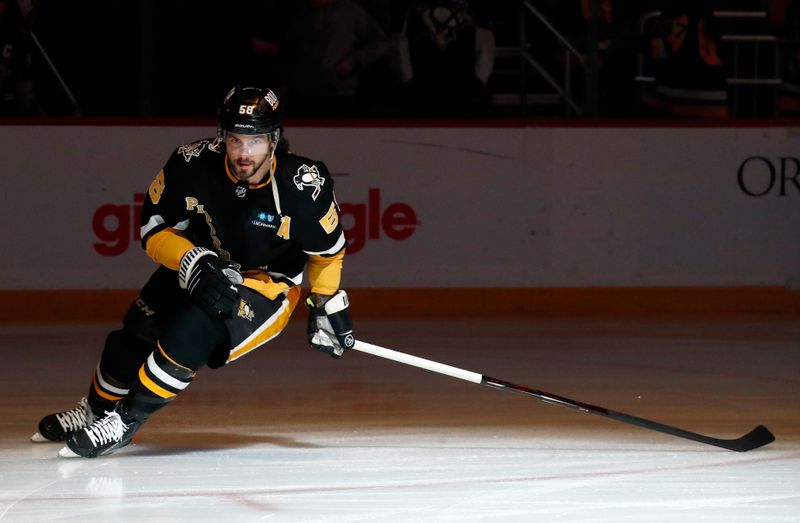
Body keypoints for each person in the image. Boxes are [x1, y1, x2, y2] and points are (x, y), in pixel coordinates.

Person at [31, 86, 355, 458]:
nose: (244, 153)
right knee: (134, 335)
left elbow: (328, 253)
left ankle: (124, 422)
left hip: (265, 286)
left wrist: (325, 301)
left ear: (274, 140)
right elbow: (152, 231)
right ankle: (96, 411)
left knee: (196, 329)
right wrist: (193, 259)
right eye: (235, 139)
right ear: (222, 136)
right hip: (203, 260)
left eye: (255, 141)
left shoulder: (303, 185)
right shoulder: (190, 163)